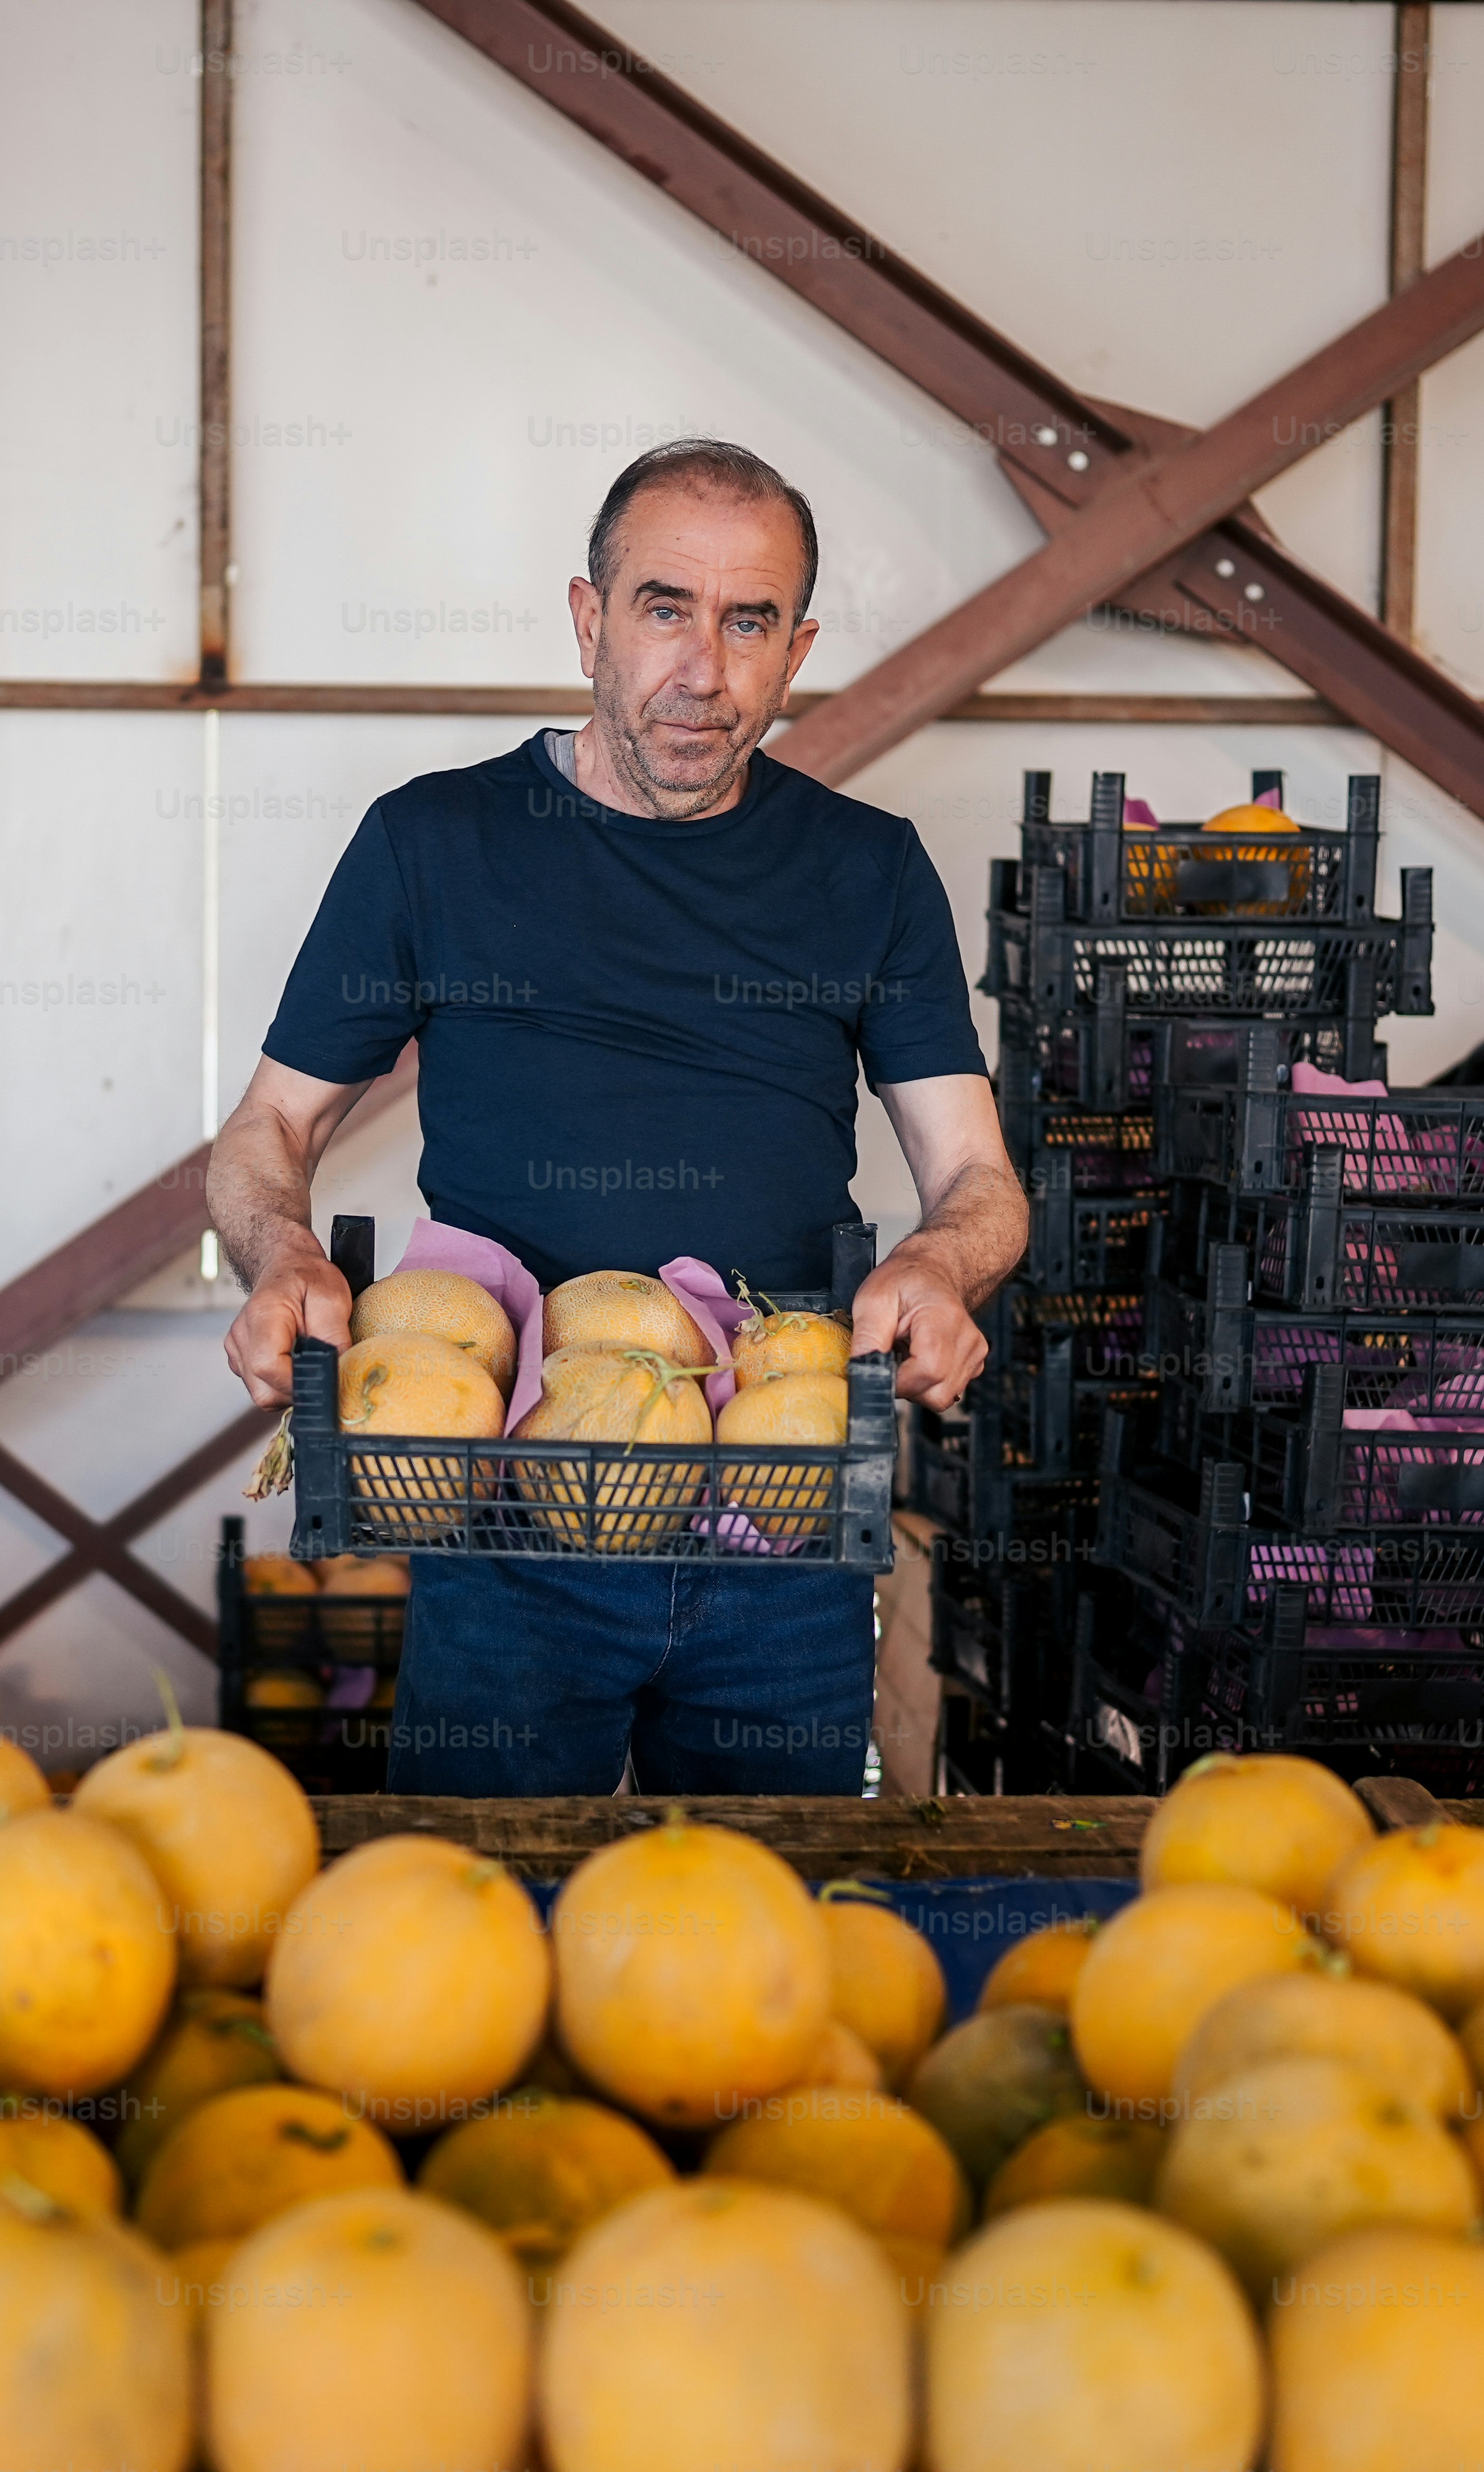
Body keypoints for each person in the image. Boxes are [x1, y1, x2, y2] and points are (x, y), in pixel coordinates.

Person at [209, 439, 1025, 1796]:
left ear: (796, 647)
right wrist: (281, 1256)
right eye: (663, 608)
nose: (702, 670)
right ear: (589, 620)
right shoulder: (433, 842)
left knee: (770, 1952)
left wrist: (945, 1264)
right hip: (511, 1531)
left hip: (783, 1517)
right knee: (483, 1942)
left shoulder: (868, 870)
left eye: (747, 620)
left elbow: (977, 1175)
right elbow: (266, 1132)